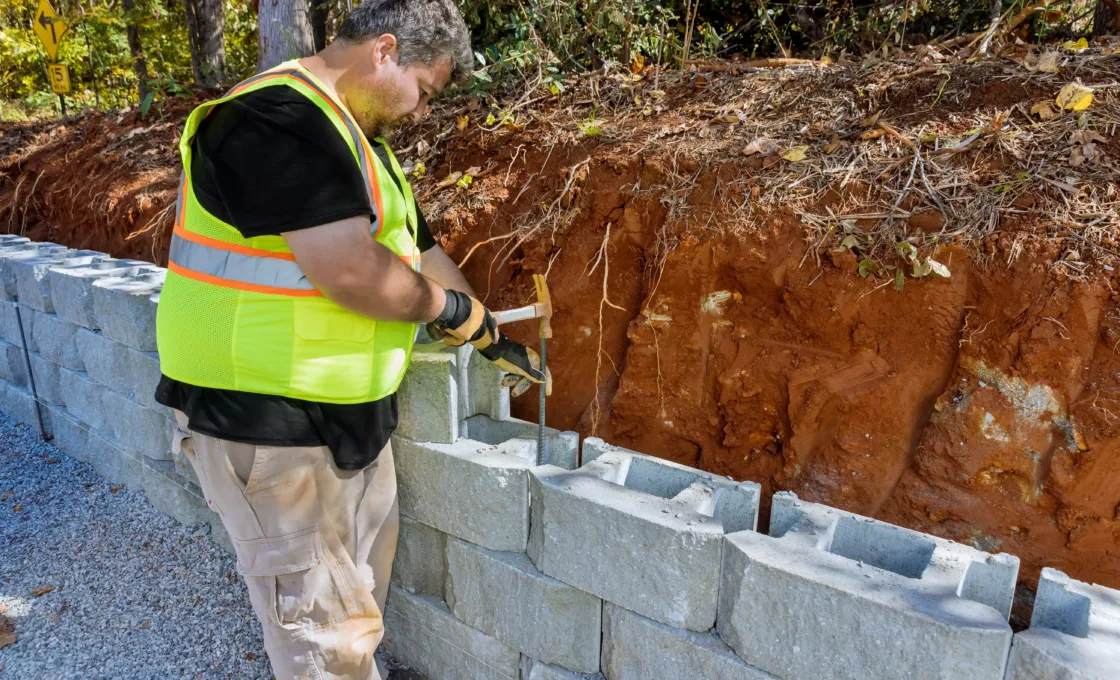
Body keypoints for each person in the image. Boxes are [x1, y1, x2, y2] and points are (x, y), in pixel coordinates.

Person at [153, 1, 550, 677]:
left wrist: (485, 331)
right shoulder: (272, 120)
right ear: (385, 51)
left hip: (347, 423)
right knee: (323, 644)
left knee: (351, 622)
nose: (421, 112)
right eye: (424, 91)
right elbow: (351, 272)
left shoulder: (358, 142)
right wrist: (454, 312)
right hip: (267, 423)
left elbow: (415, 250)